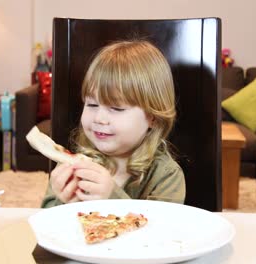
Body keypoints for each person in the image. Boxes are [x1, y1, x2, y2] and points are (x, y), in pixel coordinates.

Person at [41, 40, 185, 207]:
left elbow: (163, 230)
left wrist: (112, 197)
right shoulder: (72, 164)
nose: (99, 118)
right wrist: (63, 200)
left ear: (153, 116)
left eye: (116, 108)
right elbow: (46, 221)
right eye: (92, 105)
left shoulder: (166, 175)